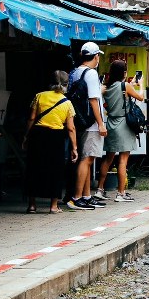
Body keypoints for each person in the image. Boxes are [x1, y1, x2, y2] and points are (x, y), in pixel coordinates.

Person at [23, 71, 78, 214]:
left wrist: (26, 136)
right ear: (66, 85)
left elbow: (31, 118)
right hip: (56, 137)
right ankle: (53, 206)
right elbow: (71, 128)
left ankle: (32, 205)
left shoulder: (39, 96)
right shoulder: (67, 103)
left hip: (38, 135)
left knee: (34, 168)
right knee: (56, 170)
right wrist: (75, 148)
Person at [94, 61, 143, 202]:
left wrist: (131, 84)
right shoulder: (125, 86)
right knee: (123, 160)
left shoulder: (105, 87)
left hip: (110, 124)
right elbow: (140, 97)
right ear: (124, 73)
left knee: (108, 158)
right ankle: (121, 193)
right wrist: (140, 85)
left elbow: (120, 92)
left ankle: (99, 190)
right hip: (123, 125)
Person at [67, 42, 107, 211]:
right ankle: (76, 198)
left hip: (80, 120)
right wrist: (101, 123)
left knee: (86, 158)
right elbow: (93, 100)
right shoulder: (91, 73)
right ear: (96, 56)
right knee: (87, 159)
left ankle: (86, 196)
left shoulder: (75, 72)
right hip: (91, 122)